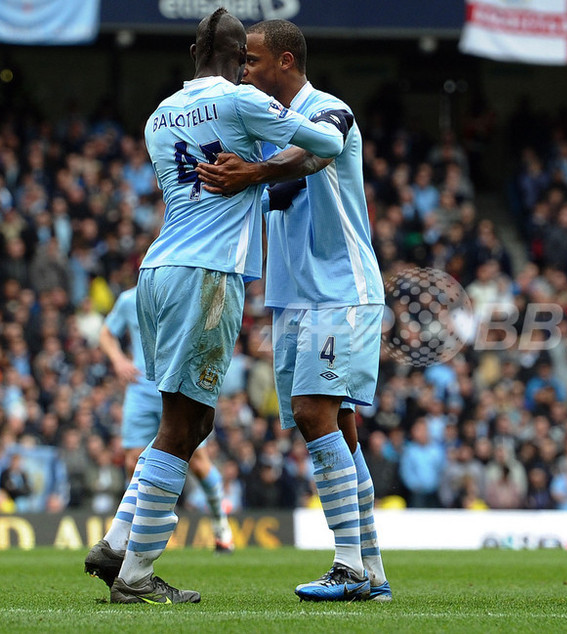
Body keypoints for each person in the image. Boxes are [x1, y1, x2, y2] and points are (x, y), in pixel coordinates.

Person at [82, 8, 343, 605]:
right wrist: (256, 167)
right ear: (234, 59)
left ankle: (118, 541)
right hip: (208, 274)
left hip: (157, 269)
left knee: (194, 421)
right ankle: (136, 576)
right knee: (182, 424)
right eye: (246, 60)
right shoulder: (239, 100)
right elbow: (329, 142)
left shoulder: (157, 116)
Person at [195, 19, 391, 602]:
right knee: (342, 430)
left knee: (313, 414)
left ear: (284, 61)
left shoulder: (332, 111)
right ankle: (373, 570)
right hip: (291, 296)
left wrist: (253, 172)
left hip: (339, 288)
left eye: (251, 61)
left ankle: (349, 566)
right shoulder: (258, 128)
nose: (243, 70)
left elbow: (311, 155)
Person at [86, 276, 235, 583]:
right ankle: (133, 537)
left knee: (199, 462)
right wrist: (118, 360)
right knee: (132, 461)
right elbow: (105, 333)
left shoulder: (183, 291)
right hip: (141, 391)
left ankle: (221, 527)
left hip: (175, 384)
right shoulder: (129, 299)